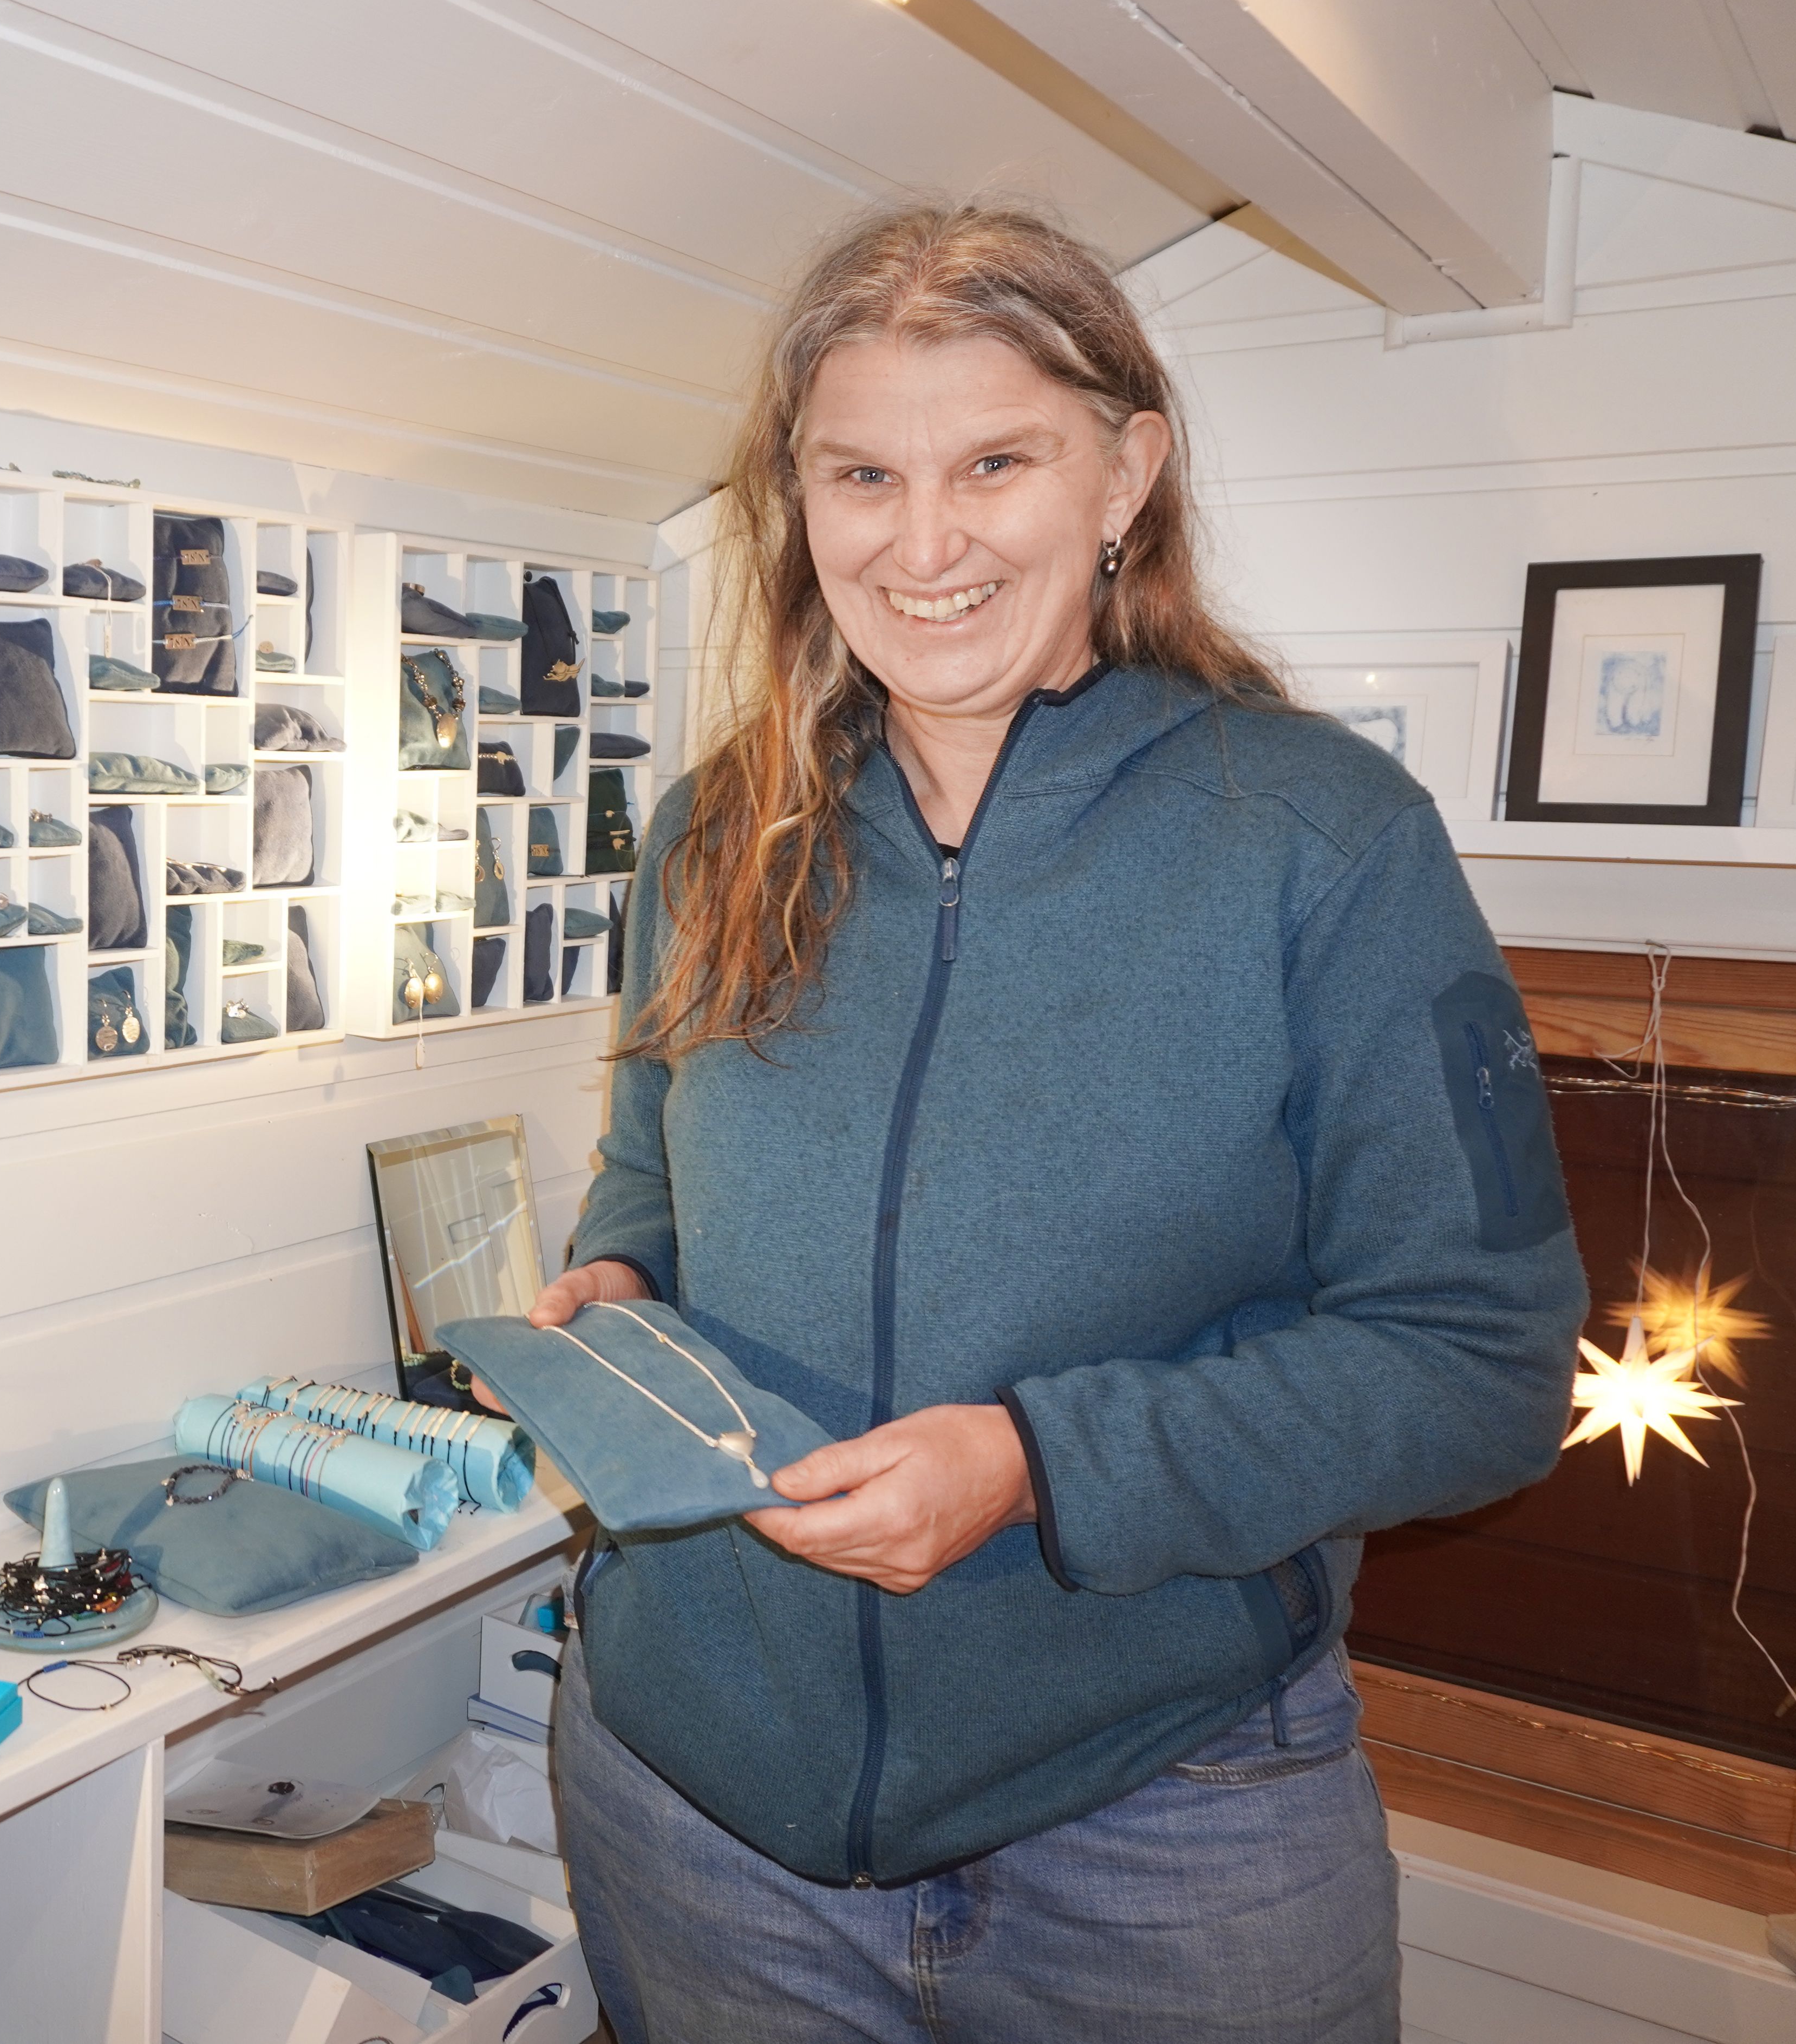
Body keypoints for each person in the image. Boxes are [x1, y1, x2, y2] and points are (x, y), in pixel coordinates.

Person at [525, 200, 1589, 2041]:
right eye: (862, 475)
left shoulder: (1323, 843)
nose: (921, 543)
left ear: (1125, 476)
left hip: (1164, 1825)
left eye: (994, 464)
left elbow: (1481, 1366)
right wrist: (614, 1286)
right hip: (695, 1805)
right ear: (798, 501)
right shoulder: (714, 834)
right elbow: (648, 1177)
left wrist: (1035, 1465)